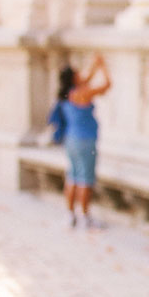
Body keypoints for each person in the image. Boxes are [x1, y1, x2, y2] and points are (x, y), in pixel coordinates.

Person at [49, 54, 111, 228]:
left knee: (73, 176)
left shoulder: (67, 93)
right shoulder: (82, 93)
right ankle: (85, 216)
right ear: (73, 78)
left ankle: (70, 215)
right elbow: (107, 86)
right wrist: (104, 67)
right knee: (85, 179)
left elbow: (87, 78)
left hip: (71, 140)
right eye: (77, 73)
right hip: (85, 141)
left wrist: (95, 65)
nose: (81, 75)